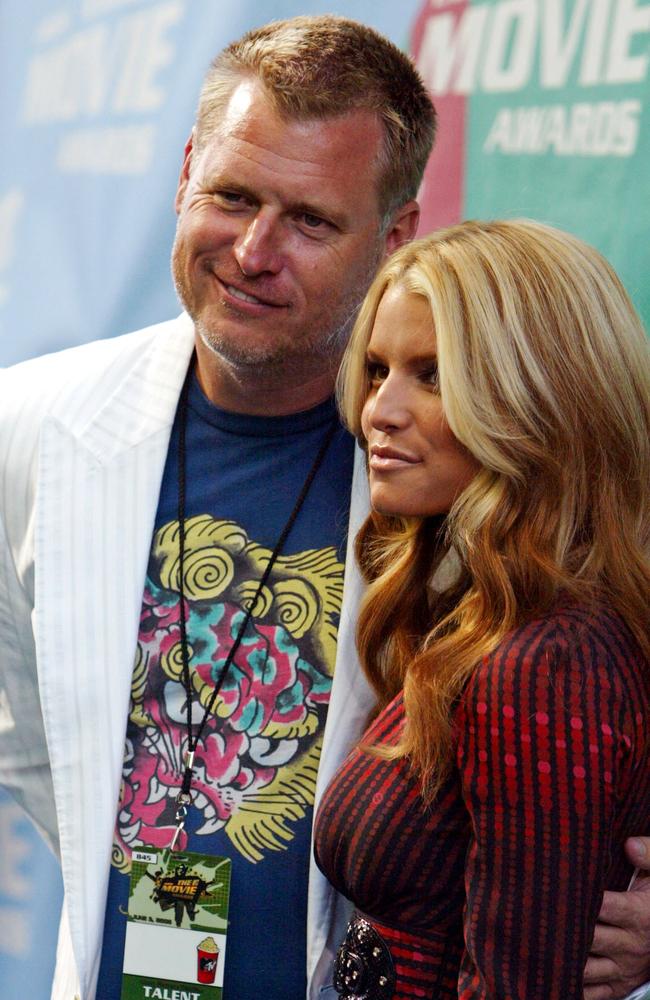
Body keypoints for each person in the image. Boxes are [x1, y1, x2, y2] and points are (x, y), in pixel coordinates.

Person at [0, 15, 647, 1000]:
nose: (254, 251)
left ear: (393, 235)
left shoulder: (460, 467)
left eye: (308, 219)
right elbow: (30, 727)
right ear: (182, 175)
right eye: (230, 195)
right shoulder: (31, 424)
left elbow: (592, 705)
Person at [314, 219, 650, 999]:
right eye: (377, 369)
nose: (377, 411)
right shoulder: (490, 624)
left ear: (541, 394)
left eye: (432, 375)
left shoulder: (548, 662)